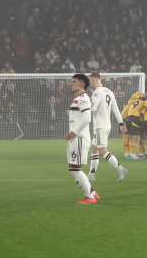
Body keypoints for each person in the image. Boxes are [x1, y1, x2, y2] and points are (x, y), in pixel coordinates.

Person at [64, 73, 98, 205]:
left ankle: (89, 196)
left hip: (79, 137)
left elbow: (87, 118)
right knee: (73, 167)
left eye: (74, 82)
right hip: (77, 137)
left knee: (74, 168)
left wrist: (74, 132)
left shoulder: (83, 98)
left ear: (81, 84)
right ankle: (93, 193)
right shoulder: (79, 98)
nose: (70, 84)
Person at [87, 72, 127, 182]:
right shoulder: (109, 92)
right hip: (106, 125)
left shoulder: (96, 92)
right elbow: (116, 109)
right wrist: (121, 123)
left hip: (100, 126)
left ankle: (121, 169)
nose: (89, 82)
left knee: (102, 151)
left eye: (90, 80)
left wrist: (84, 106)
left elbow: (93, 108)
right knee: (94, 149)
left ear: (94, 80)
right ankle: (91, 175)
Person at [120, 91, 145, 159]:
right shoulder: (142, 102)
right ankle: (131, 154)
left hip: (126, 117)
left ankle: (129, 154)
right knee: (133, 136)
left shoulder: (132, 101)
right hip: (129, 117)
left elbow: (133, 96)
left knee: (129, 135)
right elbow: (143, 112)